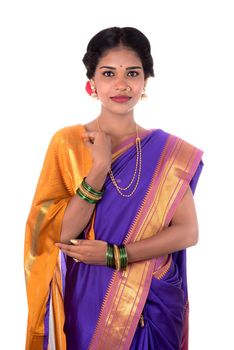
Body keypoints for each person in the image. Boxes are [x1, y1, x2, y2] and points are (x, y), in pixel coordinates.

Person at [24, 26, 203, 350]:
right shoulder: (67, 143)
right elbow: (57, 234)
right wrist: (99, 169)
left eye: (132, 73)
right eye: (109, 73)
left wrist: (116, 255)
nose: (121, 84)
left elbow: (188, 232)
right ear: (91, 83)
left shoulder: (168, 152)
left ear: (144, 82)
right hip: (87, 296)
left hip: (152, 298)